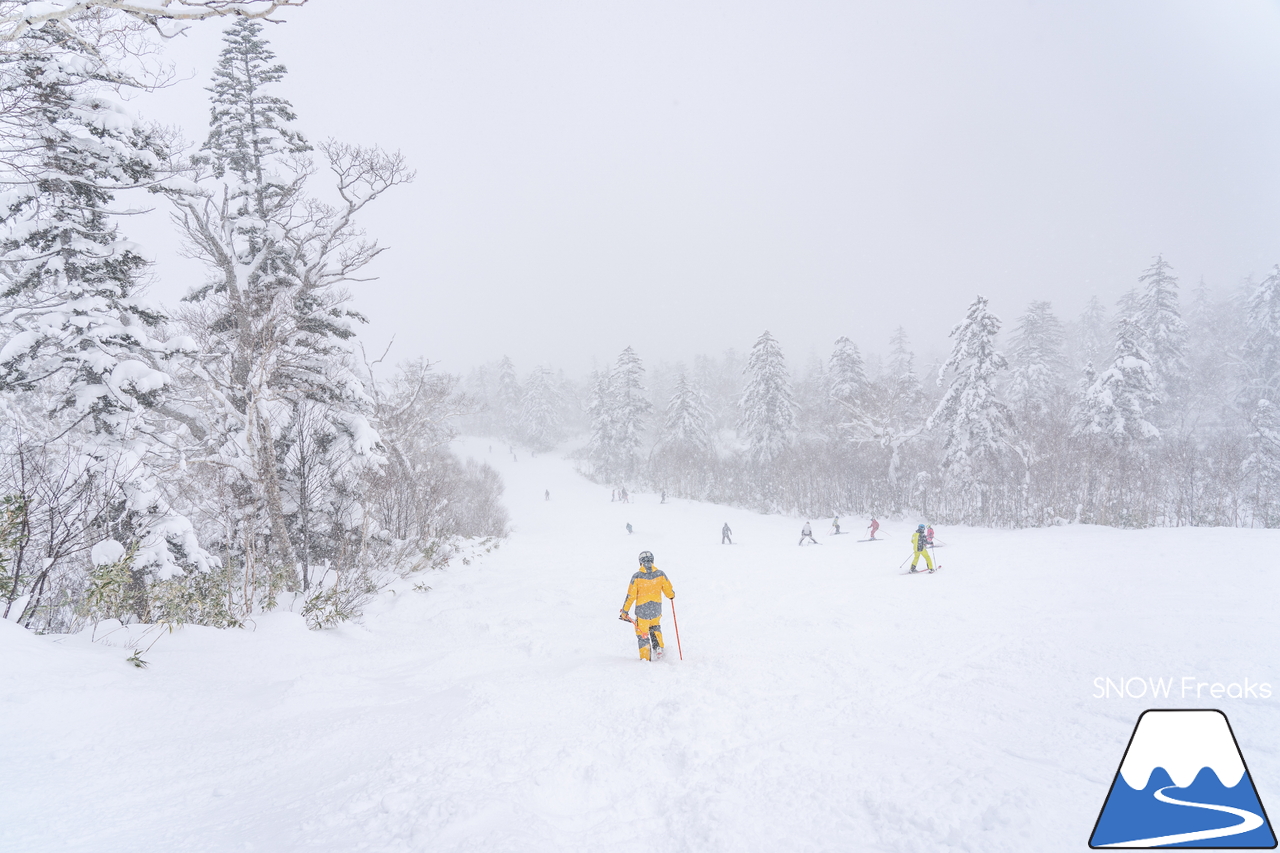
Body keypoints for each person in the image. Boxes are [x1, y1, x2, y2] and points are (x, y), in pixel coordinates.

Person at [620, 551, 675, 661]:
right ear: (652, 560)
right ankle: (658, 647)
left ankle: (645, 658)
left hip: (642, 611)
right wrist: (671, 595)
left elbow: (630, 596)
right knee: (655, 627)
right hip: (656, 609)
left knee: (642, 633)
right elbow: (669, 592)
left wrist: (624, 612)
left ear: (640, 562)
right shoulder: (660, 574)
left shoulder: (637, 577)